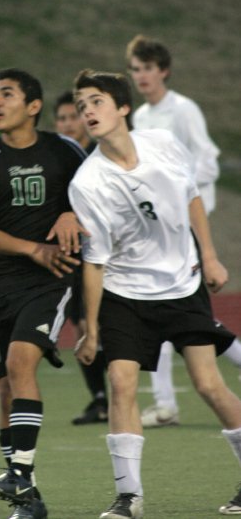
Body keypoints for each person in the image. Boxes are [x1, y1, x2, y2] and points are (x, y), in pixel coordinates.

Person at [68, 69, 241, 518]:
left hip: (182, 287)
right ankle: (129, 498)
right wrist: (89, 329)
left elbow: (191, 198)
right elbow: (95, 261)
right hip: (125, 295)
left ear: (123, 107)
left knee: (208, 384)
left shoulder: (163, 143)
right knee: (121, 383)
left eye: (96, 101)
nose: (88, 110)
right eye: (81, 104)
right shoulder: (87, 183)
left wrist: (210, 256)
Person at [0, 68, 87, 519]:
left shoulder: (64, 150)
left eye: (6, 94)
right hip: (2, 283)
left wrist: (72, 211)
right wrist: (32, 247)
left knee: (20, 363)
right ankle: (29, 500)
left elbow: (98, 194)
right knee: (3, 391)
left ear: (33, 107)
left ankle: (18, 475)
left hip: (51, 279)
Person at [127, 34, 241, 429]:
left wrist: (181, 189)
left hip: (191, 227)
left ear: (164, 70)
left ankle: (169, 403)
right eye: (135, 69)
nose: (141, 76)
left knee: (187, 318)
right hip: (161, 230)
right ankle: (165, 405)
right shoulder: (140, 118)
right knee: (156, 311)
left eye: (147, 68)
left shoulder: (184, 110)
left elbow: (208, 160)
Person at [54, 91, 109, 425]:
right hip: (76, 256)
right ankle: (100, 399)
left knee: (108, 325)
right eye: (61, 119)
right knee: (82, 326)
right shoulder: (56, 157)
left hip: (107, 256)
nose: (67, 124)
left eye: (72, 116)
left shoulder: (99, 156)